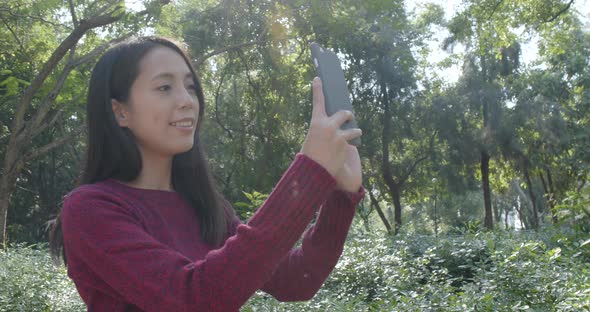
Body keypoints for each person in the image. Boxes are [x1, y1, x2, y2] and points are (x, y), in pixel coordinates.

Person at [49, 36, 364, 311]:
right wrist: (308, 170)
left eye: (190, 86)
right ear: (120, 111)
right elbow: (194, 300)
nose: (187, 101)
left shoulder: (206, 208)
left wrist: (340, 196)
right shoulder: (91, 209)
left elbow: (297, 281)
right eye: (164, 87)